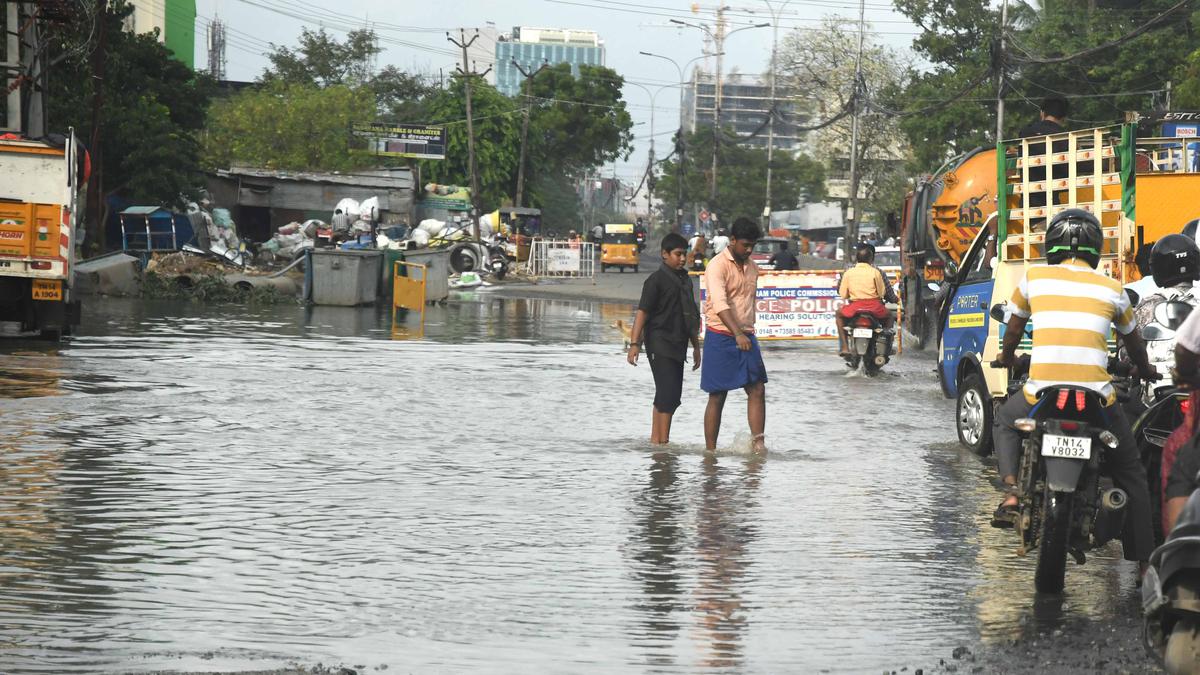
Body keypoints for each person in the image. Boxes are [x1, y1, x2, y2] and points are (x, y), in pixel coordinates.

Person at [989, 209, 1159, 574]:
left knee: (1004, 420)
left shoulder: (1034, 280)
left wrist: (1006, 357)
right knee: (1131, 472)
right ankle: (1146, 563)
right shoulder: (1113, 289)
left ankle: (1012, 492)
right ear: (1095, 248)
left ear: (1052, 245)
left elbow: (1014, 333)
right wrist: (1144, 370)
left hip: (1042, 394)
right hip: (1097, 397)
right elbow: (1136, 345)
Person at [627, 233, 703, 445]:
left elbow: (690, 315)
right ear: (664, 254)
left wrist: (696, 347)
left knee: (671, 396)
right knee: (667, 392)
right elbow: (642, 313)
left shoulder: (685, 280)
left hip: (679, 344)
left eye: (684, 254)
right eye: (678, 254)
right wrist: (635, 344)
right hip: (658, 342)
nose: (682, 259)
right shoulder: (655, 281)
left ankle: (659, 441)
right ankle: (660, 442)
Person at [701, 217, 767, 453]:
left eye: (753, 246)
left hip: (747, 334)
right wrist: (736, 333)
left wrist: (743, 333)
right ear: (733, 240)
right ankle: (711, 452)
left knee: (757, 388)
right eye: (745, 245)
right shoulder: (717, 265)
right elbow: (719, 303)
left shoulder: (753, 267)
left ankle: (758, 444)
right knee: (717, 395)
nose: (749, 250)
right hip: (720, 335)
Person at [835, 244, 890, 357]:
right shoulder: (876, 272)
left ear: (856, 258)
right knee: (889, 316)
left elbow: (843, 294)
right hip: (874, 306)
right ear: (871, 258)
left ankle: (845, 347)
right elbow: (881, 293)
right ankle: (885, 343)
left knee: (838, 315)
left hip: (855, 307)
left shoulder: (848, 272)